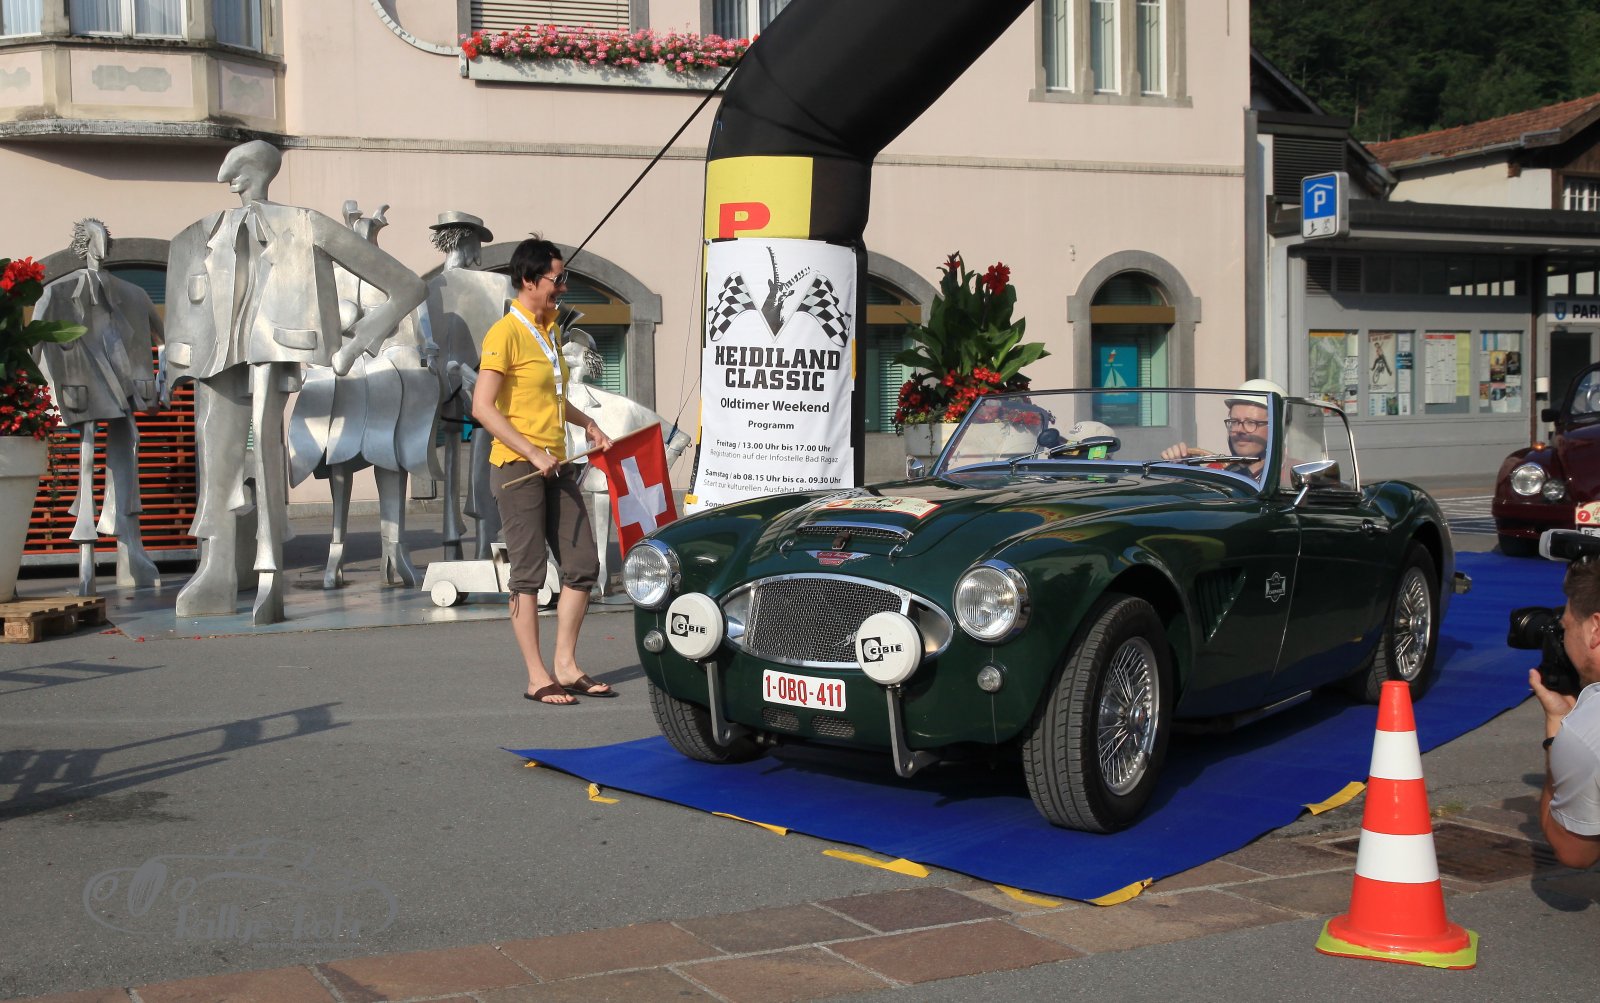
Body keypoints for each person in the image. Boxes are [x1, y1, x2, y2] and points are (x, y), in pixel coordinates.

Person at [164, 140, 426, 624]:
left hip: (277, 352)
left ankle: (269, 573)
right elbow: (188, 304)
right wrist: (176, 363)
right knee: (215, 453)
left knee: (266, 449)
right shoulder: (205, 232)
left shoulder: (305, 223)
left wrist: (354, 346)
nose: (231, 182)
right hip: (219, 359)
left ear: (258, 173)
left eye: (239, 172)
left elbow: (407, 285)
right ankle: (216, 566)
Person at [471, 237, 614, 705]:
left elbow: (553, 398)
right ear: (529, 280)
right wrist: (532, 452)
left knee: (583, 564)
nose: (564, 287)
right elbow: (482, 408)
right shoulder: (505, 334)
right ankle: (537, 676)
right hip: (518, 468)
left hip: (557, 464)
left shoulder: (549, 331)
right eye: (558, 279)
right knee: (528, 574)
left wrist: (588, 423)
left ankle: (566, 666)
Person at [32, 217, 163, 594]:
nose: (100, 247)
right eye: (94, 239)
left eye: (103, 238)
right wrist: (45, 393)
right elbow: (35, 345)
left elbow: (166, 341)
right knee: (87, 463)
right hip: (83, 394)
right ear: (82, 244)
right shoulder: (57, 293)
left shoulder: (133, 294)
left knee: (126, 459)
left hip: (125, 395)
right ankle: (87, 564)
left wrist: (160, 383)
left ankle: (129, 551)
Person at [1528, 558, 1600, 869]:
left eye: (1565, 627)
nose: (1563, 639)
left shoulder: (1587, 730)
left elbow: (1573, 852)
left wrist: (1557, 729)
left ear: (1596, 629)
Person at [1161, 378, 1285, 480]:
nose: (1239, 430)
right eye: (1234, 421)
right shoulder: (1217, 472)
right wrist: (1185, 472)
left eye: (1250, 422)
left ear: (1277, 427)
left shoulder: (1291, 477)